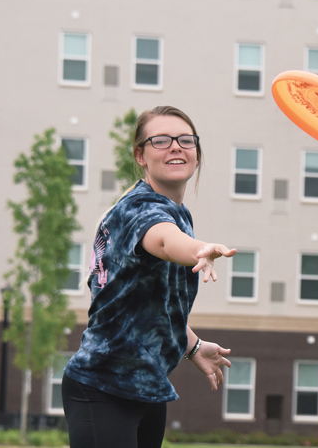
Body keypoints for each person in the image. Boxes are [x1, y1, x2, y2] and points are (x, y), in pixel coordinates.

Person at [62, 105, 237, 448]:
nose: (176, 146)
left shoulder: (177, 212)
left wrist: (193, 345)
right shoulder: (137, 209)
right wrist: (198, 249)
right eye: (161, 140)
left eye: (186, 140)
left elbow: (151, 303)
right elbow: (163, 240)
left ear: (197, 154)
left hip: (147, 386)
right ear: (140, 155)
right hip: (102, 386)